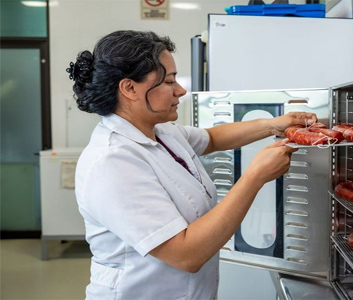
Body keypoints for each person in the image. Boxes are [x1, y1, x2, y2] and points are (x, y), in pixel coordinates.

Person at [67, 30, 317, 300]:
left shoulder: (161, 133)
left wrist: (272, 124)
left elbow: (212, 138)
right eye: (169, 82)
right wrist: (255, 176)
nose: (181, 90)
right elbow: (186, 254)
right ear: (129, 88)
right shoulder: (112, 162)